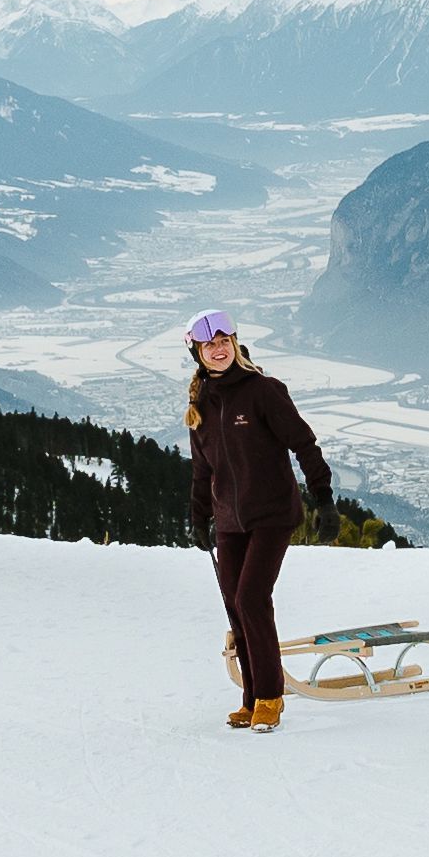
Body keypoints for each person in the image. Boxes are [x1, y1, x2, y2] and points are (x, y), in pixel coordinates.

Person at [182, 312, 332, 733]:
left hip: (272, 515)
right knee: (235, 607)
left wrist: (324, 499)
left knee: (251, 599)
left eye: (224, 341)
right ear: (198, 353)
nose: (219, 349)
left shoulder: (264, 391)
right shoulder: (201, 406)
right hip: (230, 521)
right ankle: (251, 698)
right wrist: (199, 517)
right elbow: (202, 471)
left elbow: (304, 443)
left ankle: (270, 696)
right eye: (209, 345)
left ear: (234, 342)